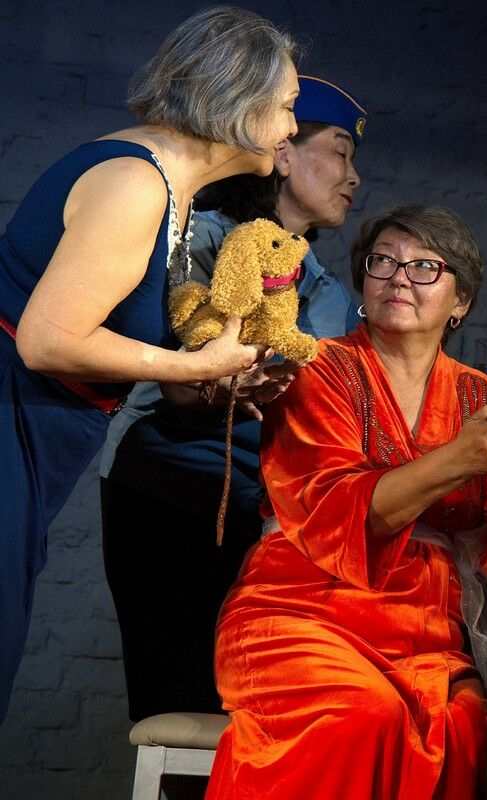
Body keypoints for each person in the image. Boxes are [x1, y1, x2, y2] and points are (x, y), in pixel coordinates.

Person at [204, 204, 487, 799]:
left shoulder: (478, 393)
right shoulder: (318, 370)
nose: (399, 278)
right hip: (305, 608)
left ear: (461, 301)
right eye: (384, 262)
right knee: (364, 715)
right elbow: (337, 513)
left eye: (424, 267)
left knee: (470, 726)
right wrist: (461, 458)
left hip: (426, 630)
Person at [0, 4, 297, 722]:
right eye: (287, 105)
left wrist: (212, 375)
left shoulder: (170, 186)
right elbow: (46, 340)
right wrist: (194, 367)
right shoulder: (136, 182)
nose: (292, 127)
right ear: (239, 99)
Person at [99, 73, 367, 721]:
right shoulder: (203, 237)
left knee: (253, 715)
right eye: (340, 151)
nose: (354, 177)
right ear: (283, 152)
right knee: (178, 705)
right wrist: (218, 379)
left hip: (269, 519)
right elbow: (176, 377)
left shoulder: (331, 294)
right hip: (171, 491)